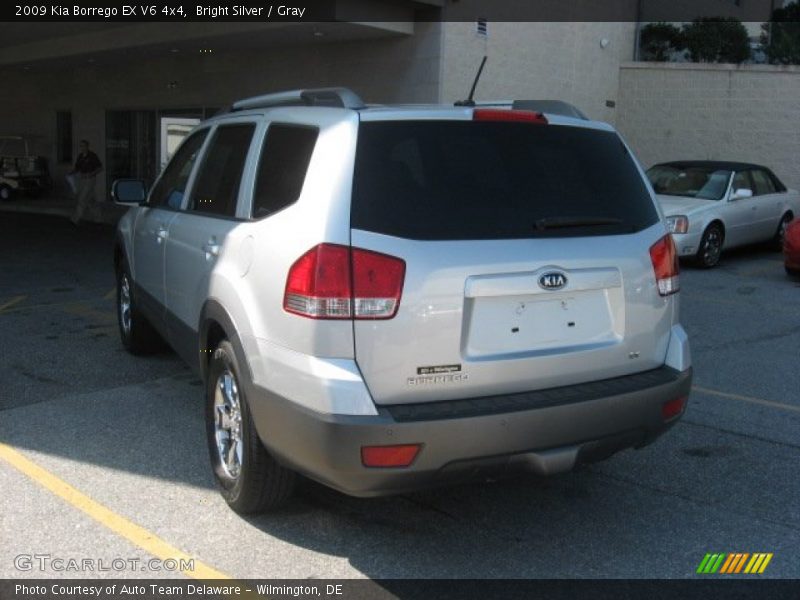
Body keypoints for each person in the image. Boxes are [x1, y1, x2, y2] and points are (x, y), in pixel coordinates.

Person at [69, 140, 102, 225]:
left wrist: (91, 174)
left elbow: (100, 168)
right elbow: (77, 168)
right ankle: (98, 217)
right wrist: (71, 174)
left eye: (83, 146)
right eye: (81, 146)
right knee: (90, 199)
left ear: (87, 146)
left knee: (82, 198)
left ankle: (75, 218)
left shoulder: (92, 156)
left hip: (90, 179)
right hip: (81, 179)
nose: (82, 148)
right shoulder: (80, 156)